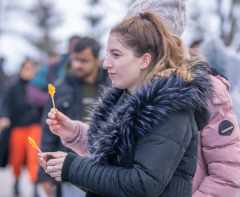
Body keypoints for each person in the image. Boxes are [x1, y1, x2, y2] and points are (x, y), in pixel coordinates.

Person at [39, 11, 213, 197]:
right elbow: (110, 176)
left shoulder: (170, 111)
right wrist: (76, 135)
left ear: (144, 60)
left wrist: (74, 168)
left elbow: (142, 185)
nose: (106, 63)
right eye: (107, 54)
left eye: (116, 54)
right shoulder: (125, 100)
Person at [127, 0, 240, 196]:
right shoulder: (133, 84)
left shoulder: (206, 88)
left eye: (137, 32)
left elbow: (226, 174)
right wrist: (77, 134)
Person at [36, 37, 110, 197]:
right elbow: (49, 131)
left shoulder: (112, 86)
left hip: (104, 170)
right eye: (74, 59)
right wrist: (44, 174)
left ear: (97, 60)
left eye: (84, 60)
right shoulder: (59, 88)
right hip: (69, 169)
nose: (77, 65)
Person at [0, 59, 42, 196]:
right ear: (21, 70)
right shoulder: (13, 88)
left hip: (34, 126)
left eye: (31, 68)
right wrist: (4, 117)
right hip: (18, 127)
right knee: (16, 157)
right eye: (26, 68)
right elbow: (5, 105)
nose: (28, 71)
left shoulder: (38, 87)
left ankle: (34, 186)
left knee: (34, 156)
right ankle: (16, 181)